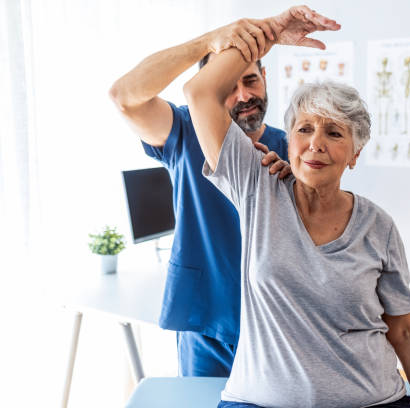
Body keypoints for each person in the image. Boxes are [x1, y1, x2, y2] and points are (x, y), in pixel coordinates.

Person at [184, 5, 410, 408]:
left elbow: (406, 330)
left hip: (372, 401)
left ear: (355, 153)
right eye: (304, 129)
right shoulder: (257, 187)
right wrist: (268, 34)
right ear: (287, 141)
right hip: (259, 402)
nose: (315, 143)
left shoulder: (379, 226)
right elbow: (200, 93)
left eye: (334, 132)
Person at [108, 12, 311, 376]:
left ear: (265, 78)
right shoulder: (184, 130)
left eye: (251, 81)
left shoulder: (291, 149)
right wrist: (207, 42)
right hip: (207, 324)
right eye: (228, 87)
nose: (244, 95)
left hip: (275, 325)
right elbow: (124, 97)